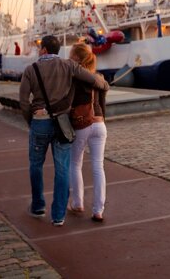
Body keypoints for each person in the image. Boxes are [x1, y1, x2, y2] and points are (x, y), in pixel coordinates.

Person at [19, 35, 109, 227]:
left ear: (43, 50)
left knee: (36, 165)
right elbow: (93, 80)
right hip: (63, 124)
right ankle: (58, 215)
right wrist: (104, 84)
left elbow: (23, 101)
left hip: (40, 122)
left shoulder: (30, 70)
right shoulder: (69, 66)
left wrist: (31, 121)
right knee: (63, 168)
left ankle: (38, 206)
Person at [67, 43, 108, 222]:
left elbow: (68, 104)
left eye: (70, 54)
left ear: (76, 58)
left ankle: (77, 203)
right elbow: (103, 104)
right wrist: (101, 120)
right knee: (98, 167)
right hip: (99, 124)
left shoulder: (73, 78)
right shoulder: (99, 77)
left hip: (82, 124)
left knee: (75, 164)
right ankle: (98, 210)